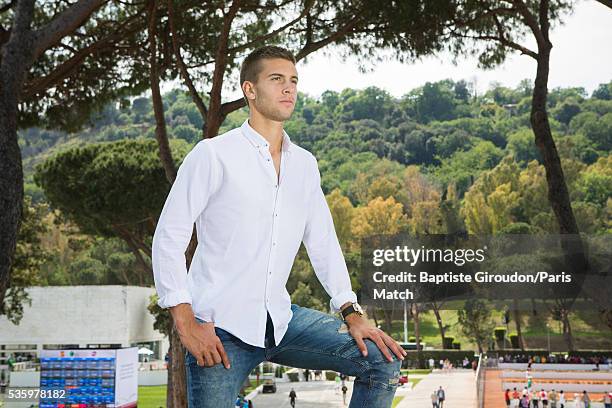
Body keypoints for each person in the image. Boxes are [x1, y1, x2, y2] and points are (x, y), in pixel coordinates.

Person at [152, 45, 406, 408]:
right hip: (219, 331)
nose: (289, 89)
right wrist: (185, 322)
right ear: (249, 90)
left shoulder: (304, 164)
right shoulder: (212, 155)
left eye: (293, 81)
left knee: (382, 360)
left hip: (281, 322)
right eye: (276, 79)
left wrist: (351, 312)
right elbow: (168, 239)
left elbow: (323, 241)